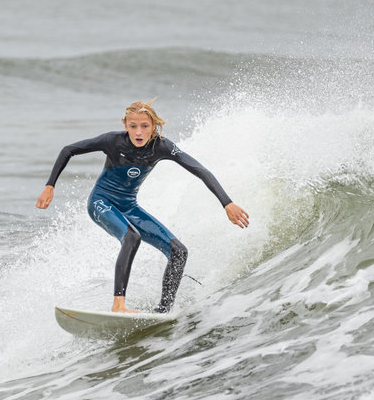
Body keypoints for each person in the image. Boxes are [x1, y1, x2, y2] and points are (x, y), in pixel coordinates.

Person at [36, 100, 249, 314]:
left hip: (129, 207)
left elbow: (199, 170)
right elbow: (68, 150)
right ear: (125, 125)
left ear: (154, 126)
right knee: (132, 237)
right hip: (101, 203)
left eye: (144, 126)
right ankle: (118, 305)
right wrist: (49, 186)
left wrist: (227, 203)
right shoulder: (113, 141)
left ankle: (163, 311)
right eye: (133, 126)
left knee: (179, 252)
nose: (138, 132)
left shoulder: (162, 147)